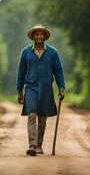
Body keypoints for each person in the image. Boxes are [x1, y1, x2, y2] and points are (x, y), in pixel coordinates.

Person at [16, 24, 65, 156]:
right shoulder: (25, 52)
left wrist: (61, 87)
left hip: (46, 89)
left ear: (44, 37)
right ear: (33, 36)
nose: (38, 36)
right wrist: (19, 90)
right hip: (31, 88)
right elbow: (21, 73)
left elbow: (58, 71)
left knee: (43, 118)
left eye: (41, 34)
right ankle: (32, 145)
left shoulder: (53, 52)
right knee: (32, 115)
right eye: (36, 34)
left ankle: (39, 145)